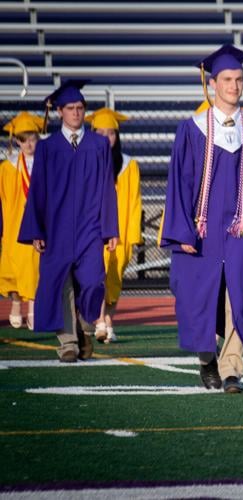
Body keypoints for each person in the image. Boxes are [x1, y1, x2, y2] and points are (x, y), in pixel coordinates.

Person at [160, 45, 243, 393]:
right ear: (213, 84)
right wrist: (182, 229)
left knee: (239, 296)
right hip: (202, 229)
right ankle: (205, 359)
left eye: (239, 79)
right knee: (198, 297)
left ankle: (231, 370)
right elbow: (180, 183)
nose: (234, 86)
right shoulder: (193, 129)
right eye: (227, 79)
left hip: (240, 229)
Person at [18, 80, 119, 363]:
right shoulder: (48, 148)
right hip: (56, 227)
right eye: (70, 108)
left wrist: (110, 228)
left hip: (90, 226)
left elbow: (106, 188)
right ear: (60, 111)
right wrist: (37, 229)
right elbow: (37, 189)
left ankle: (86, 326)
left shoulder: (98, 145)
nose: (76, 113)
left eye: (80, 108)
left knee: (92, 282)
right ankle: (68, 344)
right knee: (61, 284)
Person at [85, 107, 143, 343]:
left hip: (120, 232)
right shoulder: (86, 161)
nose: (106, 138)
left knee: (114, 278)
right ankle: (99, 321)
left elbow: (134, 202)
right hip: (94, 230)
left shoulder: (128, 165)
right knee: (97, 275)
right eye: (101, 132)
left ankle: (108, 320)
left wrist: (132, 235)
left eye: (111, 133)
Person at [0, 112, 43, 330]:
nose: (28, 144)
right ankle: (16, 304)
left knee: (34, 266)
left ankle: (33, 309)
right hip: (13, 221)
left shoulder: (45, 164)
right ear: (16, 140)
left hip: (36, 222)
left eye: (32, 138)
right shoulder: (7, 167)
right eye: (23, 139)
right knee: (12, 268)